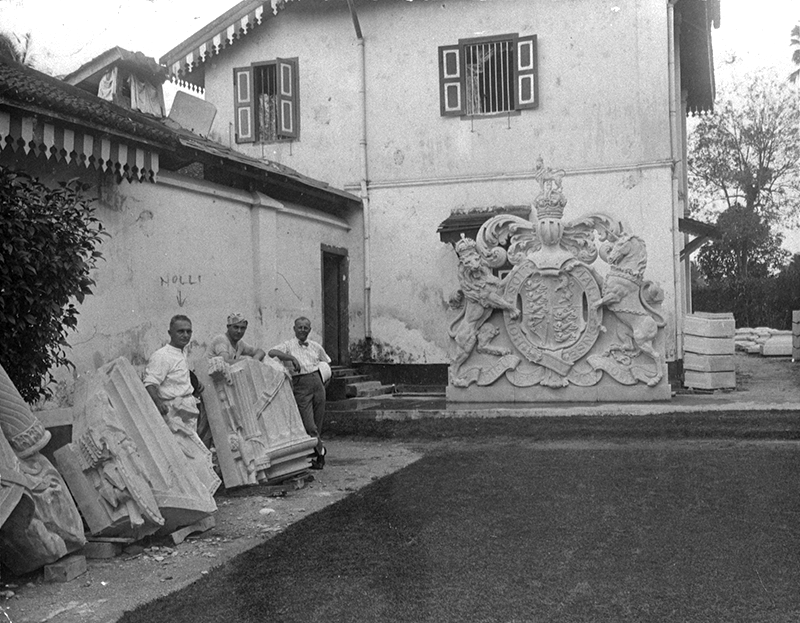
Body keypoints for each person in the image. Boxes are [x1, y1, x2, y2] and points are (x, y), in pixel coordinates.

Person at [269, 317, 331, 469]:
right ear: (294, 329)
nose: (302, 330)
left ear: (309, 330)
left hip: (317, 382)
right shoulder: (288, 345)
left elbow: (327, 363)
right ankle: (321, 452)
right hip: (300, 384)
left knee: (318, 422)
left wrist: (324, 383)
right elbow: (271, 352)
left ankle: (315, 455)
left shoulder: (316, 346)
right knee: (309, 425)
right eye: (300, 327)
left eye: (305, 328)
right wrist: (291, 358)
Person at [143, 314, 201, 425]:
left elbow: (176, 372)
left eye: (188, 332)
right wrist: (158, 403)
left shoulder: (183, 351)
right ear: (170, 333)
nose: (185, 335)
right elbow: (150, 384)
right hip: (173, 410)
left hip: (188, 408)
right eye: (180, 331)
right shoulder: (161, 356)